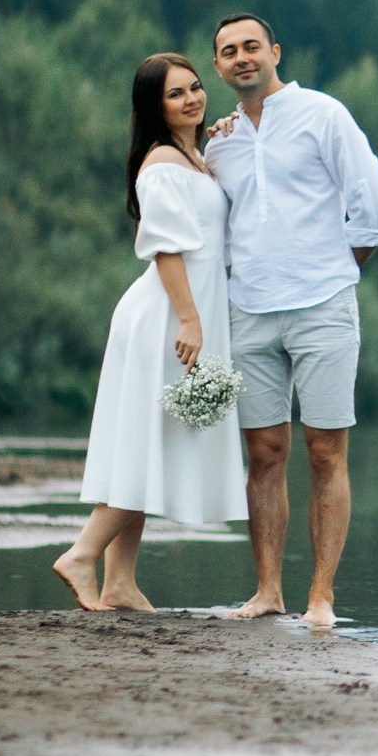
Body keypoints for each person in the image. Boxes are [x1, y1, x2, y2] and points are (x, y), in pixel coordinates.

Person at [201, 13, 378, 627]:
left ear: (275, 52)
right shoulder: (219, 143)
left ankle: (321, 597)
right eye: (229, 51)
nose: (242, 58)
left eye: (251, 46)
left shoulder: (324, 115)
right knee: (264, 452)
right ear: (218, 67)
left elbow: (373, 206)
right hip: (249, 310)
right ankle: (267, 592)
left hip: (323, 306)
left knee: (325, 451)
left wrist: (336, 271)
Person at [54, 53, 247, 609]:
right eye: (175, 94)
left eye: (195, 87)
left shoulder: (193, 157)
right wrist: (189, 318)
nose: (191, 99)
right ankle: (82, 555)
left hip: (185, 309)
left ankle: (119, 581)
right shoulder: (161, 162)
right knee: (152, 442)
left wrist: (223, 138)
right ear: (153, 107)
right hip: (165, 315)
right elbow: (166, 247)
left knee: (146, 437)